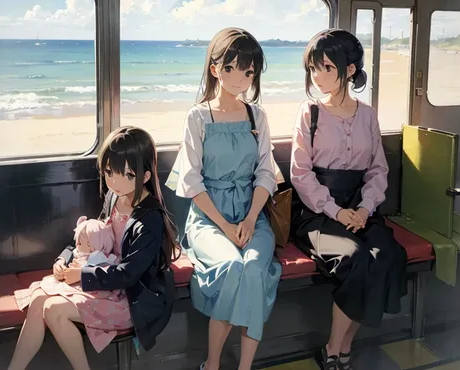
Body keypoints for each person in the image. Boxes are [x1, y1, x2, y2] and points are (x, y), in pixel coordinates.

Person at [9, 126, 179, 370]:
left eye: (126, 174)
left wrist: (82, 275)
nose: (114, 181)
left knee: (54, 310)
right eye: (109, 172)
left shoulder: (149, 219)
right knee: (38, 300)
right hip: (105, 282)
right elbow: (89, 234)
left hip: (134, 299)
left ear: (145, 176)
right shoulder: (115, 197)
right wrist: (65, 259)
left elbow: (129, 274)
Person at [290, 29, 407, 370]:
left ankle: (339, 347)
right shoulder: (309, 112)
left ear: (350, 70)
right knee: (356, 259)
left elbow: (377, 170)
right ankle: (333, 352)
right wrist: (335, 211)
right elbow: (301, 173)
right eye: (314, 68)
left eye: (326, 67)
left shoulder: (368, 115)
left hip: (360, 208)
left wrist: (363, 208)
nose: (317, 76)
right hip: (316, 213)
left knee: (387, 255)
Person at [173, 27, 281, 370]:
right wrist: (223, 224)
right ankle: (213, 364)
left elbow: (265, 173)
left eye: (249, 72)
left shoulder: (257, 116)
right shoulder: (198, 116)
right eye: (233, 68)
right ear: (215, 68)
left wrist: (249, 219)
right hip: (208, 219)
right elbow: (191, 179)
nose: (242, 78)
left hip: (252, 214)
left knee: (252, 269)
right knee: (234, 267)